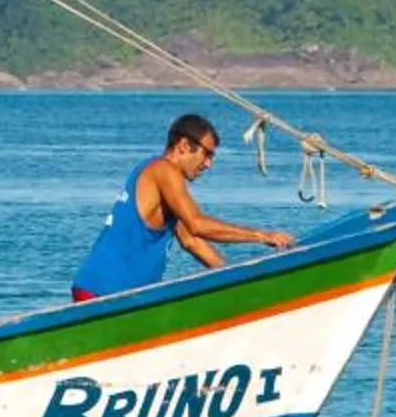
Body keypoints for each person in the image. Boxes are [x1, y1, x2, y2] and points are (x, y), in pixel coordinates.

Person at [70, 114, 299, 301]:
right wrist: (262, 236)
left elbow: (191, 240)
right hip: (104, 292)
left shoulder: (157, 175)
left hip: (113, 292)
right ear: (183, 146)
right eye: (206, 154)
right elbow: (197, 224)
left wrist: (233, 279)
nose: (209, 164)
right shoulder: (163, 170)